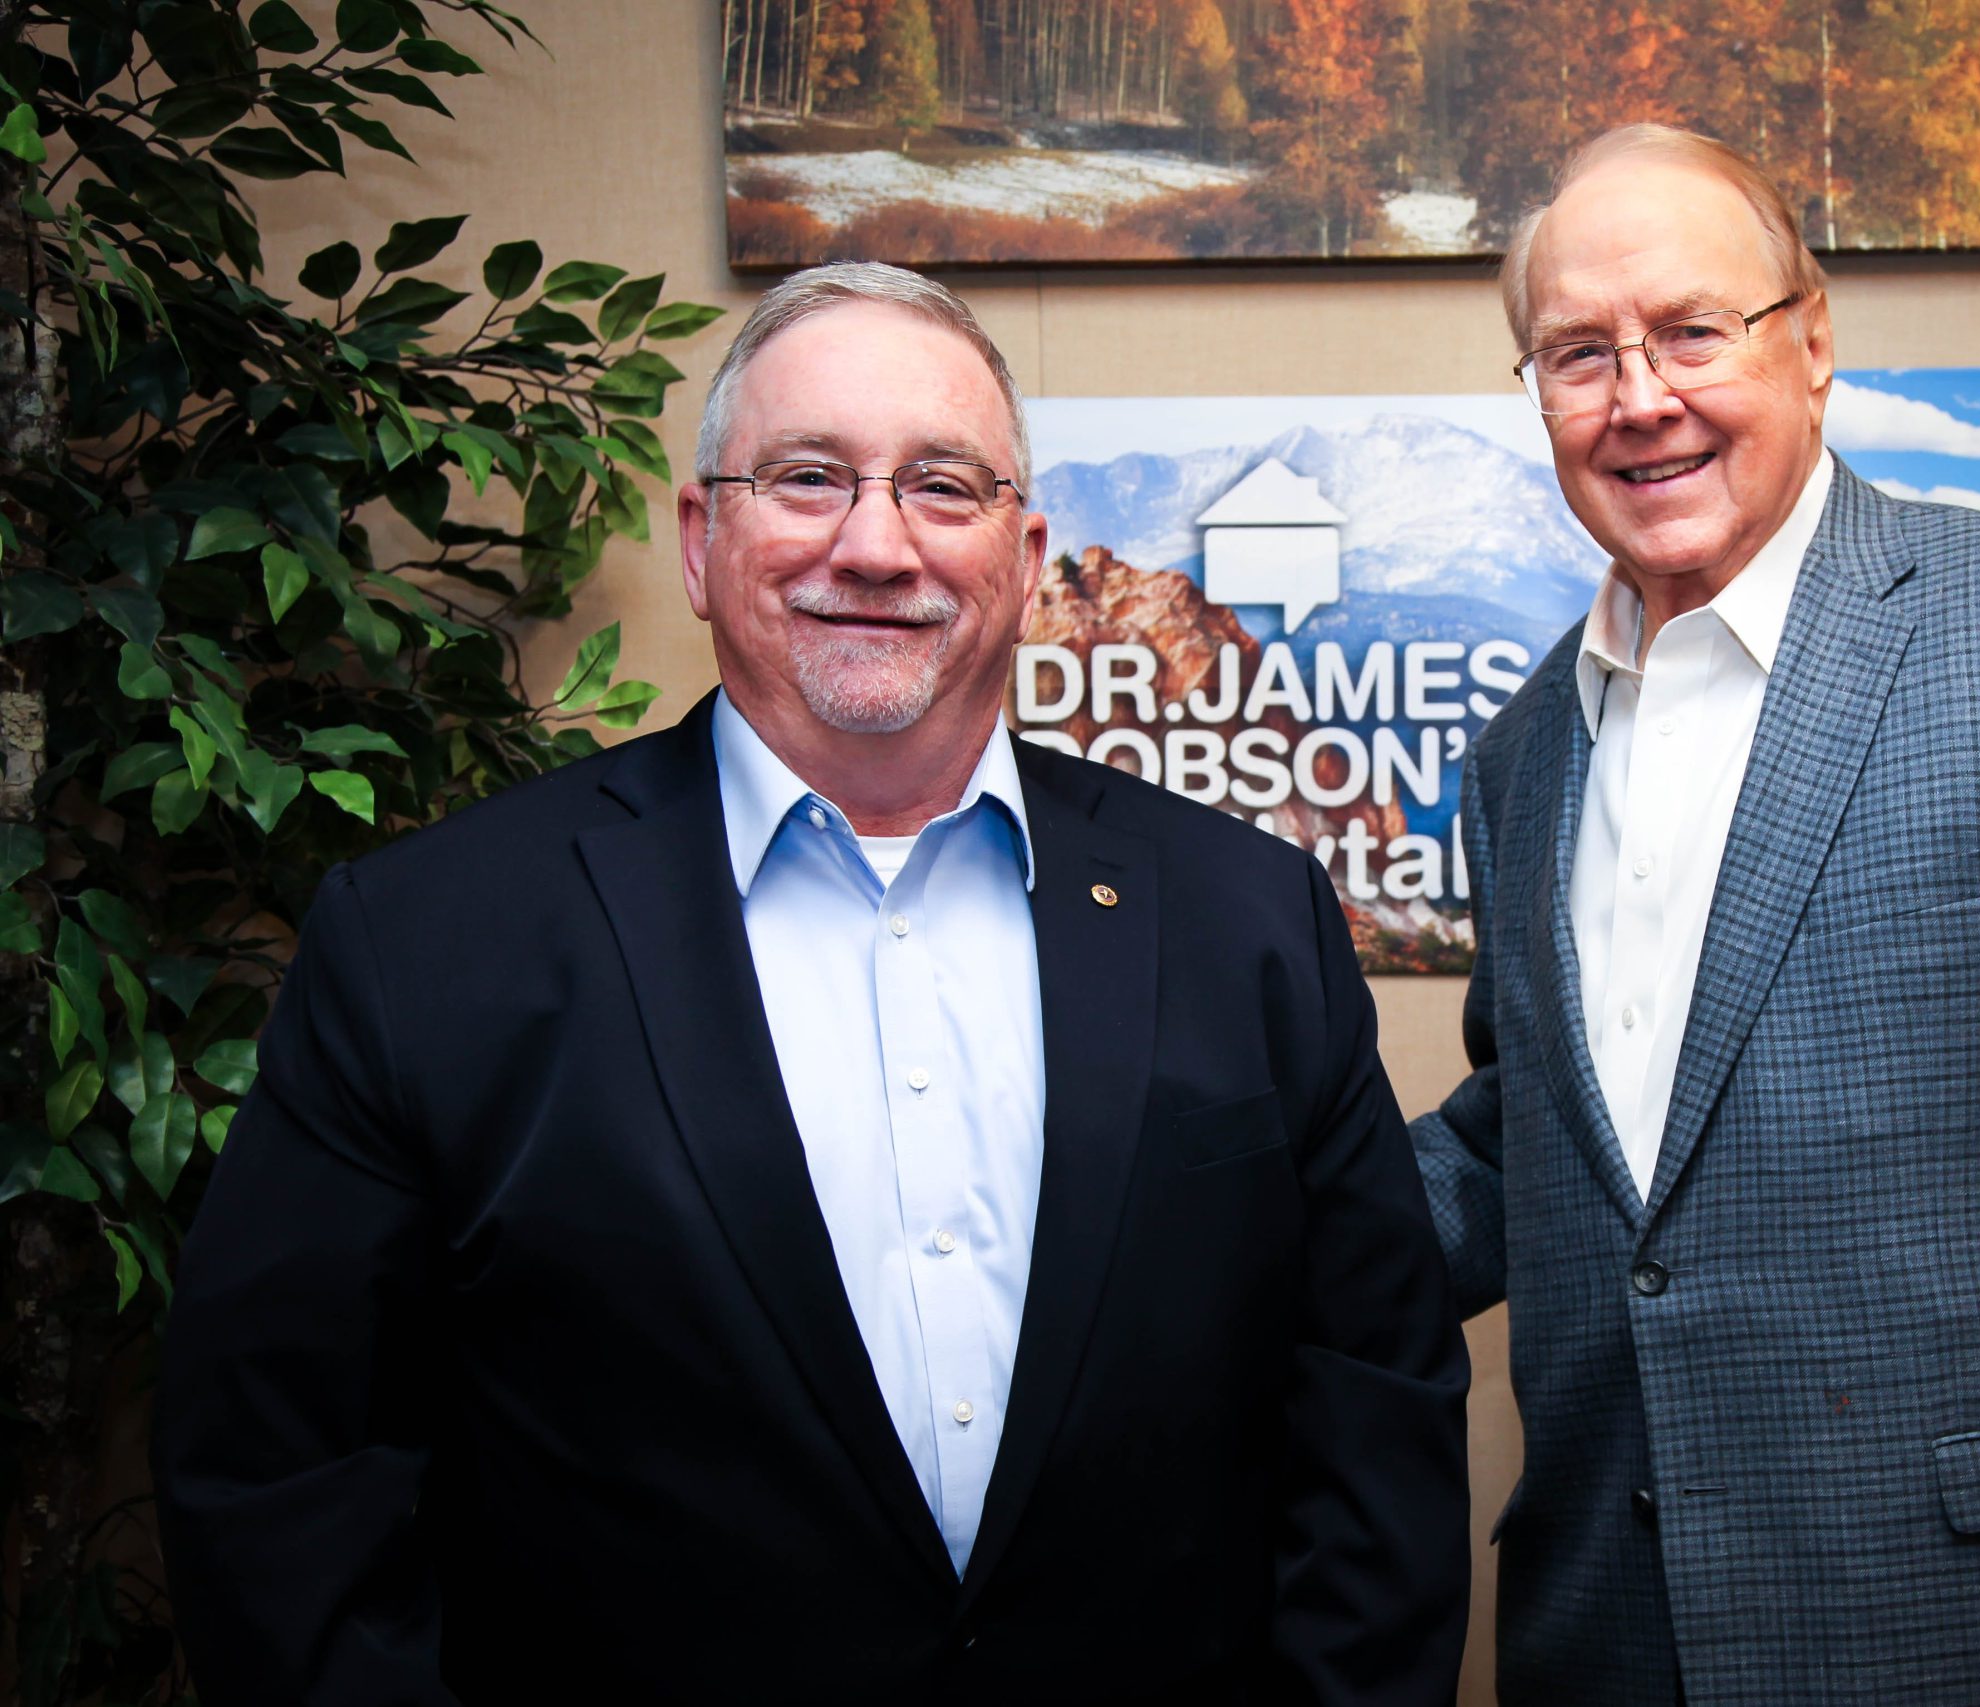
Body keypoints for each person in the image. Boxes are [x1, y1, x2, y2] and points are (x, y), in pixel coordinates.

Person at [155, 262, 1470, 1706]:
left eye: (942, 488)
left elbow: (1374, 1422)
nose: (876, 545)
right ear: (701, 540)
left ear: (1026, 561)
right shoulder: (429, 940)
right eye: (807, 479)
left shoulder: (1249, 915)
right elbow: (282, 1474)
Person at [1412, 125, 1980, 1707]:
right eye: (1578, 354)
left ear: (1814, 340)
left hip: (1976, 1643)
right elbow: (1542, 1137)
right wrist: (1175, 1218)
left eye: (1693, 331)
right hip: (1605, 1634)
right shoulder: (1523, 754)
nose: (1641, 399)